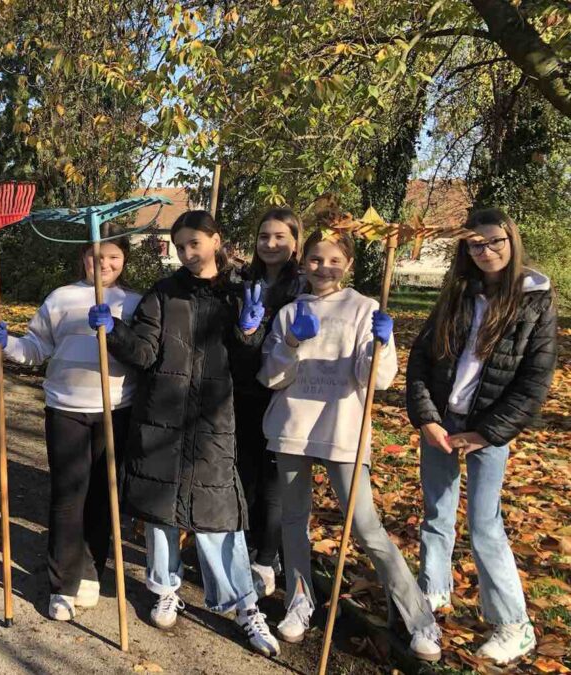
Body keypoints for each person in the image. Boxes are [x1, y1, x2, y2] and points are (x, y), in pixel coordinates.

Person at [90, 211, 280, 656]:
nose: (187, 253)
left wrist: (250, 330)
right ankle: (163, 588)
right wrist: (114, 331)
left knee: (218, 515)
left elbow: (248, 366)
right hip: (162, 414)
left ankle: (244, 606)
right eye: (180, 247)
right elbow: (144, 352)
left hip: (214, 419)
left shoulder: (238, 292)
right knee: (160, 510)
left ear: (216, 240)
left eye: (195, 244)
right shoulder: (164, 293)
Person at [258, 228, 442, 662]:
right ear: (303, 263)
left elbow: (375, 379)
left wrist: (380, 343)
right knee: (293, 521)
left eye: (334, 260)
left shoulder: (365, 309)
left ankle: (419, 618)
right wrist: (291, 342)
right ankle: (298, 604)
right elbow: (270, 377)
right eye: (316, 260)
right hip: (292, 429)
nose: (324, 268)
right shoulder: (288, 313)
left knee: (366, 528)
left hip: (343, 432)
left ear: (349, 265)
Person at [406, 208, 557, 666]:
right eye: (476, 244)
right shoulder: (457, 295)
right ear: (465, 249)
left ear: (511, 242)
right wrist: (428, 419)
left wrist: (487, 433)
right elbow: (420, 361)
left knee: (485, 524)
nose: (486, 252)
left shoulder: (535, 301)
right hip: (442, 425)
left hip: (488, 431)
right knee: (436, 513)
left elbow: (534, 381)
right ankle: (432, 595)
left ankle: (514, 623)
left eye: (495, 242)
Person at [0, 234, 141, 621]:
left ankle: (91, 572)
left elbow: (143, 354)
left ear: (124, 260)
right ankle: (62, 585)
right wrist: (8, 343)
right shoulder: (61, 298)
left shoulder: (135, 302)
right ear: (83, 257)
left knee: (104, 496)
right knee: (68, 496)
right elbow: (38, 348)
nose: (103, 263)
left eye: (113, 256)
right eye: (95, 255)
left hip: (115, 409)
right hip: (66, 407)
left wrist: (119, 331)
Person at [229, 208, 304, 597]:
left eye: (279, 237)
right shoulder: (243, 281)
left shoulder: (304, 286)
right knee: (246, 474)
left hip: (288, 395)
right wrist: (245, 328)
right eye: (263, 236)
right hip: (244, 391)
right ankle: (243, 547)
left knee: (276, 481)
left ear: (295, 242)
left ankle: (267, 557)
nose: (270, 244)